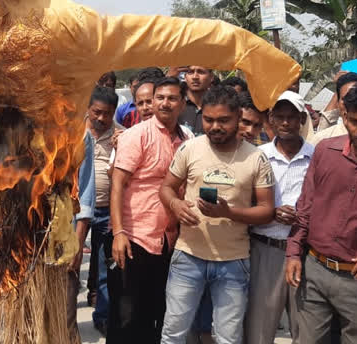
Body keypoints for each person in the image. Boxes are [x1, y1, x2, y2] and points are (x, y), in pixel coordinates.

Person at [286, 82, 357, 344]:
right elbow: (305, 206)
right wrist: (294, 252)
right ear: (345, 117)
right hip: (314, 270)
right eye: (355, 121)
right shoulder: (325, 152)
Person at [159, 85, 275, 344]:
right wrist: (176, 205)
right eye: (209, 120)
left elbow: (267, 211)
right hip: (188, 255)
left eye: (224, 120)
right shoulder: (190, 149)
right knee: (173, 333)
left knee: (228, 338)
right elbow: (166, 187)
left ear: (237, 118)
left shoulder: (257, 159)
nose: (215, 126)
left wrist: (229, 212)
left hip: (233, 261)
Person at [108, 77, 188, 343]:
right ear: (153, 102)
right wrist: (118, 233)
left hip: (168, 240)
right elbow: (117, 184)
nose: (164, 103)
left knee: (157, 313)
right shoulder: (136, 135)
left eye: (172, 98)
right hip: (134, 238)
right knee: (126, 317)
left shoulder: (186, 139)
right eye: (160, 97)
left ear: (183, 104)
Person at [244, 91, 313, 344]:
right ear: (271, 119)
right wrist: (270, 212)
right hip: (265, 249)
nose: (286, 123)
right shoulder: (257, 155)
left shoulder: (317, 157)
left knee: (305, 330)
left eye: (292, 117)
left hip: (305, 252)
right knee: (259, 329)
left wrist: (303, 216)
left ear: (302, 119)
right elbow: (244, 200)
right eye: (280, 117)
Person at [81, 86, 121, 335]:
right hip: (76, 214)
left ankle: (103, 316)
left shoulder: (122, 136)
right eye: (96, 112)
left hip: (107, 211)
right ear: (88, 109)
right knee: (71, 264)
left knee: (106, 268)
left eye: (107, 113)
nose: (101, 118)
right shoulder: (73, 132)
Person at [67, 122, 95, 344]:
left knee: (65, 315)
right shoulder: (20, 125)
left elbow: (85, 192)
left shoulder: (80, 135)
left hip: (65, 234)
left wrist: (78, 240)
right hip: (27, 242)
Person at [310, 72, 357, 142]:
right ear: (338, 101)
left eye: (355, 98)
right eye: (345, 99)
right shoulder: (323, 138)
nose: (350, 103)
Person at [179, 66, 215, 136]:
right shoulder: (177, 105)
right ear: (185, 77)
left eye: (201, 72)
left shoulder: (218, 105)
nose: (195, 77)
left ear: (211, 77)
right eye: (191, 72)